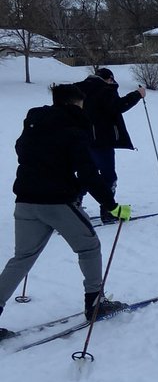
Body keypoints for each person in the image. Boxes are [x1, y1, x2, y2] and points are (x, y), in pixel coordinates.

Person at [0, 84, 132, 340]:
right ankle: (95, 303)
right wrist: (111, 205)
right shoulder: (75, 127)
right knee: (89, 246)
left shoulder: (34, 122)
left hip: (25, 200)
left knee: (22, 258)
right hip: (57, 203)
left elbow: (21, 151)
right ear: (75, 104)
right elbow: (87, 172)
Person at [77, 67, 145, 223]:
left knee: (86, 173)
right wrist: (137, 95)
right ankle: (108, 211)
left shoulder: (78, 88)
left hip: (81, 139)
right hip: (101, 140)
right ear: (109, 79)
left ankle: (74, 206)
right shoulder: (104, 90)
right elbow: (118, 106)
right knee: (108, 176)